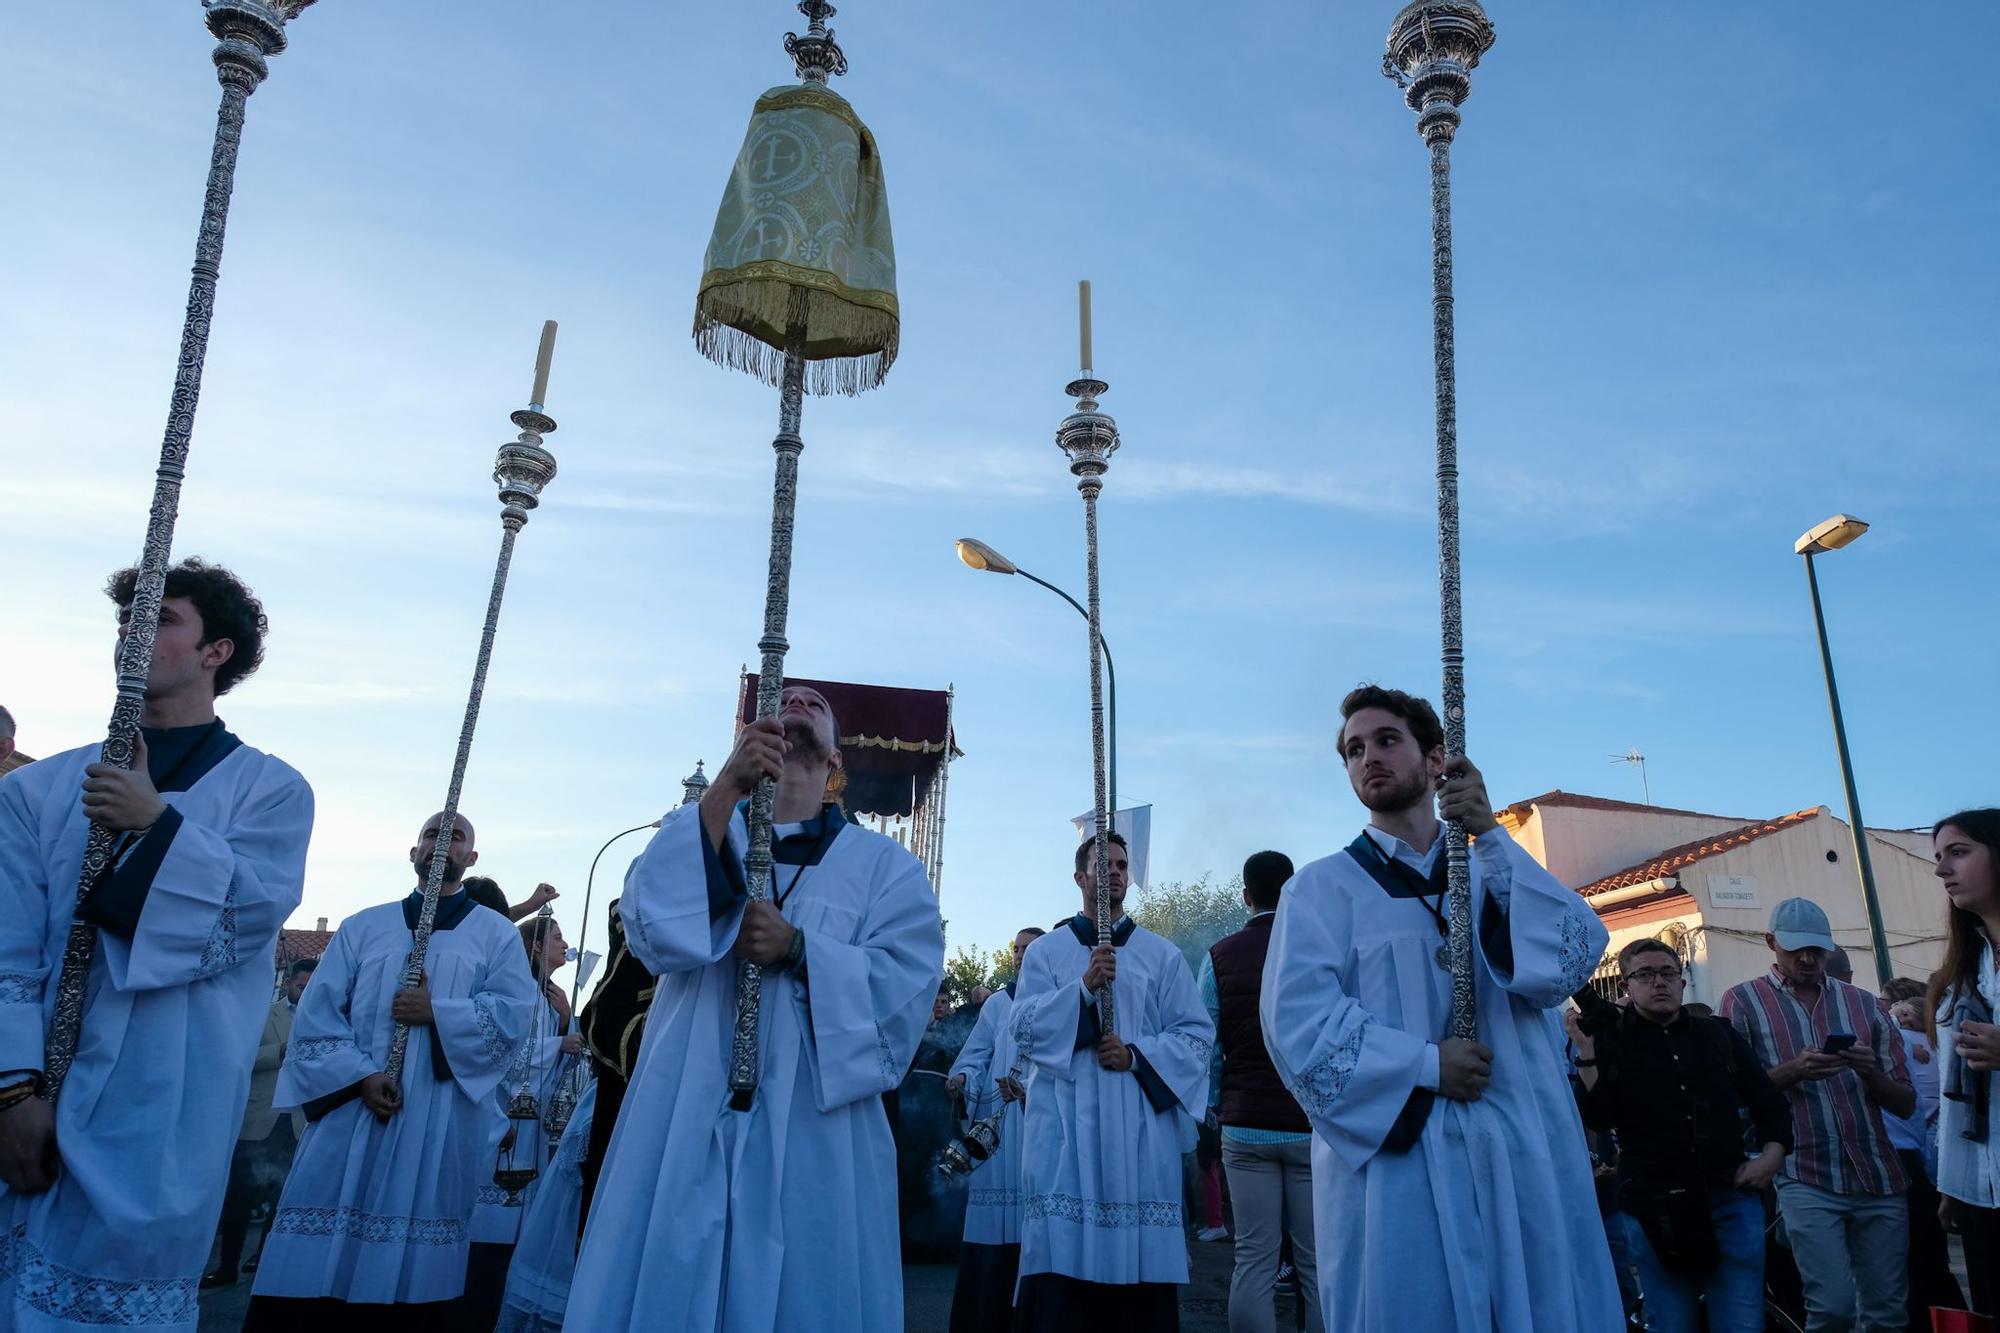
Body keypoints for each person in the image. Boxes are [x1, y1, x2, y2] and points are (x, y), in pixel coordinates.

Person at [566, 685, 945, 1331]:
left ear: (836, 764)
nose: (797, 698)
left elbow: (907, 982)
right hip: (688, 1092)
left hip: (814, 1117)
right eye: (785, 695)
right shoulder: (703, 827)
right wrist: (725, 787)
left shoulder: (886, 867)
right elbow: (650, 920)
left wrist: (800, 948)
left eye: (817, 703)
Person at [0, 558, 313, 1331]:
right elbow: (4, 949)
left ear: (218, 651)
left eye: (162, 618)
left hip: (164, 1102)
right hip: (26, 1086)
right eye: (124, 618)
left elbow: (245, 921)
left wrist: (156, 823)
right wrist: (12, 1090)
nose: (132, 634)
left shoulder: (271, 790)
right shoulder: (33, 791)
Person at [1261, 685, 1621, 1333]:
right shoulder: (1319, 889)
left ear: (1437, 760)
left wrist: (1489, 833)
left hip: (1516, 1144)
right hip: (1401, 1154)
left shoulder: (1493, 867)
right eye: (1353, 749)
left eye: (1387, 740)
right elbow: (1298, 1026)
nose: (1368, 756)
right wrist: (1426, 1064)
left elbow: (1570, 957)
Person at [244, 812, 538, 1329]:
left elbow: (514, 1016)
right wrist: (359, 1076)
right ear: (413, 853)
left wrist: (438, 1012)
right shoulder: (364, 925)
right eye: (431, 833)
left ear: (471, 859)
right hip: (352, 1111)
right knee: (316, 1263)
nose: (441, 842)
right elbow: (316, 1016)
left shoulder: (495, 934)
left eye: (457, 837)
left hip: (438, 1117)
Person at [1009, 832, 1216, 1329]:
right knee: (1064, 1279)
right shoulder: (1047, 954)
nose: (1115, 872)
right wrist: (1083, 989)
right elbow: (1023, 1029)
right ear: (1080, 877)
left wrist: (1137, 1056)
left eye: (1122, 864)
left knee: (1139, 1293)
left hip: (1137, 1134)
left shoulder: (1160, 955)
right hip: (1064, 1129)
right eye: (1103, 866)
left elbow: (1195, 1037)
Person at [1570, 938, 1791, 1333]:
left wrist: (1771, 1156)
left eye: (1668, 973)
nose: (1659, 982)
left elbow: (1767, 1101)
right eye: (1646, 975)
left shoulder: (1717, 1035)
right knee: (1672, 1322)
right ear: (1627, 986)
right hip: (1653, 1205)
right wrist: (1587, 1055)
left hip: (1728, 1194)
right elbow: (1600, 1117)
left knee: (1740, 1321)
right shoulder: (1614, 1039)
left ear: (1682, 982)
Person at [1722, 896, 1915, 1333]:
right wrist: (1794, 1071)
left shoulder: (1865, 1004)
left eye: (1817, 948)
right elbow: (1730, 1094)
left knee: (1887, 1313)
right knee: (1833, 1310)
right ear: (1771, 943)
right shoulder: (1742, 1002)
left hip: (1877, 1172)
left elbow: (1905, 1102)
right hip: (1804, 1171)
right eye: (1796, 949)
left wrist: (1870, 1072)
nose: (1808, 958)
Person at [1200, 849, 1324, 1333]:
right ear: (1291, 891)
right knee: (1315, 1263)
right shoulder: (1317, 947)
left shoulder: (1218, 956)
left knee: (1253, 1259)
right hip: (1310, 1126)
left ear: (1246, 896)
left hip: (1245, 1123)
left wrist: (1214, 1105)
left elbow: (1204, 1045)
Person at [1826, 952, 1965, 1326]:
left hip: (1877, 1159)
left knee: (1889, 1276)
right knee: (1924, 1269)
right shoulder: (1905, 1032)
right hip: (1908, 1158)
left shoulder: (1884, 1030)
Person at [461, 914, 586, 1330]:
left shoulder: (550, 996)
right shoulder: (517, 993)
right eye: (557, 937)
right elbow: (505, 1055)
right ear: (534, 947)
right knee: (489, 1235)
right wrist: (559, 1042)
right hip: (505, 1122)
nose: (565, 944)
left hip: (535, 1130)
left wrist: (567, 1020)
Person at [944, 925, 1044, 1333]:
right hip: (997, 1131)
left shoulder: (1057, 1000)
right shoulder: (998, 1003)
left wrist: (1030, 1091)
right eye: (1016, 949)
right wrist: (964, 1078)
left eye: (1029, 949)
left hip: (1036, 1122)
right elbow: (977, 1053)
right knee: (991, 1232)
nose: (1020, 955)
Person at [204, 958, 318, 1289]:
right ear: (287, 984)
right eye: (301, 986)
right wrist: (281, 1051)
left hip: (297, 1120)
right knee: (239, 1197)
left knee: (283, 1196)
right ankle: (226, 1266)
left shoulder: (323, 1018)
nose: (306, 992)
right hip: (259, 1118)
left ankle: (265, 1260)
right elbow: (240, 1057)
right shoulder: (263, 1014)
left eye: (312, 987)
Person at [1929, 810, 2000, 1318]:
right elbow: (1949, 1089)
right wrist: (1953, 1182)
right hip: (1979, 1186)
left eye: (1958, 852)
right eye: (1938, 857)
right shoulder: (1959, 972)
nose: (1941, 869)